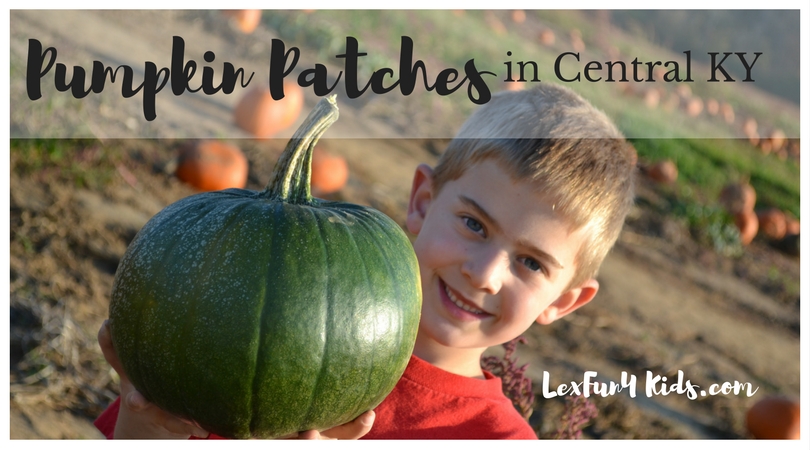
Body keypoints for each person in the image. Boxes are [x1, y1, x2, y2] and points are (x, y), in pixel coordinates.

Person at [94, 83, 636, 439]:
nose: (485, 272)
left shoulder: (496, 440)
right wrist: (142, 420)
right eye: (474, 224)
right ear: (423, 202)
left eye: (532, 264)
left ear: (565, 301)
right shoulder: (267, 324)